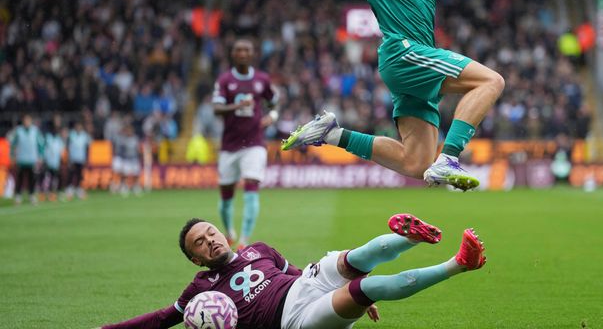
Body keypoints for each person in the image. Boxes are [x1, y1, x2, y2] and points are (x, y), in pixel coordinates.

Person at [242, 0, 573, 191]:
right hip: (403, 53)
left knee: (416, 163)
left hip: (418, 63)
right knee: (491, 81)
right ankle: (450, 158)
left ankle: (331, 134)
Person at [100, 213, 486, 329]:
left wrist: (329, 278)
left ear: (221, 232)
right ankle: (457, 263)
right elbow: (162, 319)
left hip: (305, 283)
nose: (210, 241)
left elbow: (299, 273)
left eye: (211, 232)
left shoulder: (259, 249)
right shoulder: (201, 291)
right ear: (196, 260)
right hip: (295, 319)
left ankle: (413, 238)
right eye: (199, 243)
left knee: (350, 260)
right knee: (367, 289)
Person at [212, 38, 279, 250]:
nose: (242, 53)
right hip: (229, 145)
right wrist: (237, 105)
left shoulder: (262, 79)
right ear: (233, 54)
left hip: (254, 143)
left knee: (251, 186)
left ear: (252, 54)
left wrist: (273, 116)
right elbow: (217, 109)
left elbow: (274, 101)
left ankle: (243, 241)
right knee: (226, 197)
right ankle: (230, 232)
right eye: (238, 50)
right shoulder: (225, 80)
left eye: (246, 50)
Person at [9, 114, 44, 205]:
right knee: (20, 178)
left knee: (32, 178)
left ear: (31, 121)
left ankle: (31, 195)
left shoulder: (35, 131)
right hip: (21, 159)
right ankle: (18, 196)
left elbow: (41, 144)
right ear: (23, 121)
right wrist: (12, 156)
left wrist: (40, 156)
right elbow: (13, 144)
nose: (26, 122)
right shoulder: (18, 131)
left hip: (32, 159)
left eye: (28, 120)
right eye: (25, 120)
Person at [67, 120, 91, 200]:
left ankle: (79, 189)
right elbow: (68, 147)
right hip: (73, 158)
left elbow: (87, 148)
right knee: (71, 174)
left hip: (81, 158)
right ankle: (70, 189)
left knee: (80, 174)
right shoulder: (71, 135)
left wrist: (87, 158)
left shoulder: (85, 136)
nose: (78, 128)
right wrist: (69, 158)